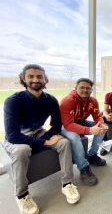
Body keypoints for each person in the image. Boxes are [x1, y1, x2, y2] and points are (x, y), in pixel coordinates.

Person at [3, 64, 80, 214]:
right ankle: (22, 195)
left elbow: (56, 125)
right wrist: (45, 142)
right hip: (16, 138)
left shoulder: (50, 100)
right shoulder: (13, 101)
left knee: (64, 142)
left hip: (38, 131)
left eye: (39, 76)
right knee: (22, 150)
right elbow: (12, 135)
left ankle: (67, 184)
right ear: (23, 79)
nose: (35, 79)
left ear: (45, 79)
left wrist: (45, 138)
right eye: (30, 76)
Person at [60, 78, 108, 186]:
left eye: (88, 88)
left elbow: (97, 116)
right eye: (82, 87)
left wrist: (101, 124)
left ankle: (91, 155)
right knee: (74, 137)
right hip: (66, 125)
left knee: (102, 129)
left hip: (81, 121)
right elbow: (68, 124)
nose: (85, 90)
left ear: (91, 90)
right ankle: (84, 168)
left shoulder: (93, 101)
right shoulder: (67, 101)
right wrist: (90, 130)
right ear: (76, 88)